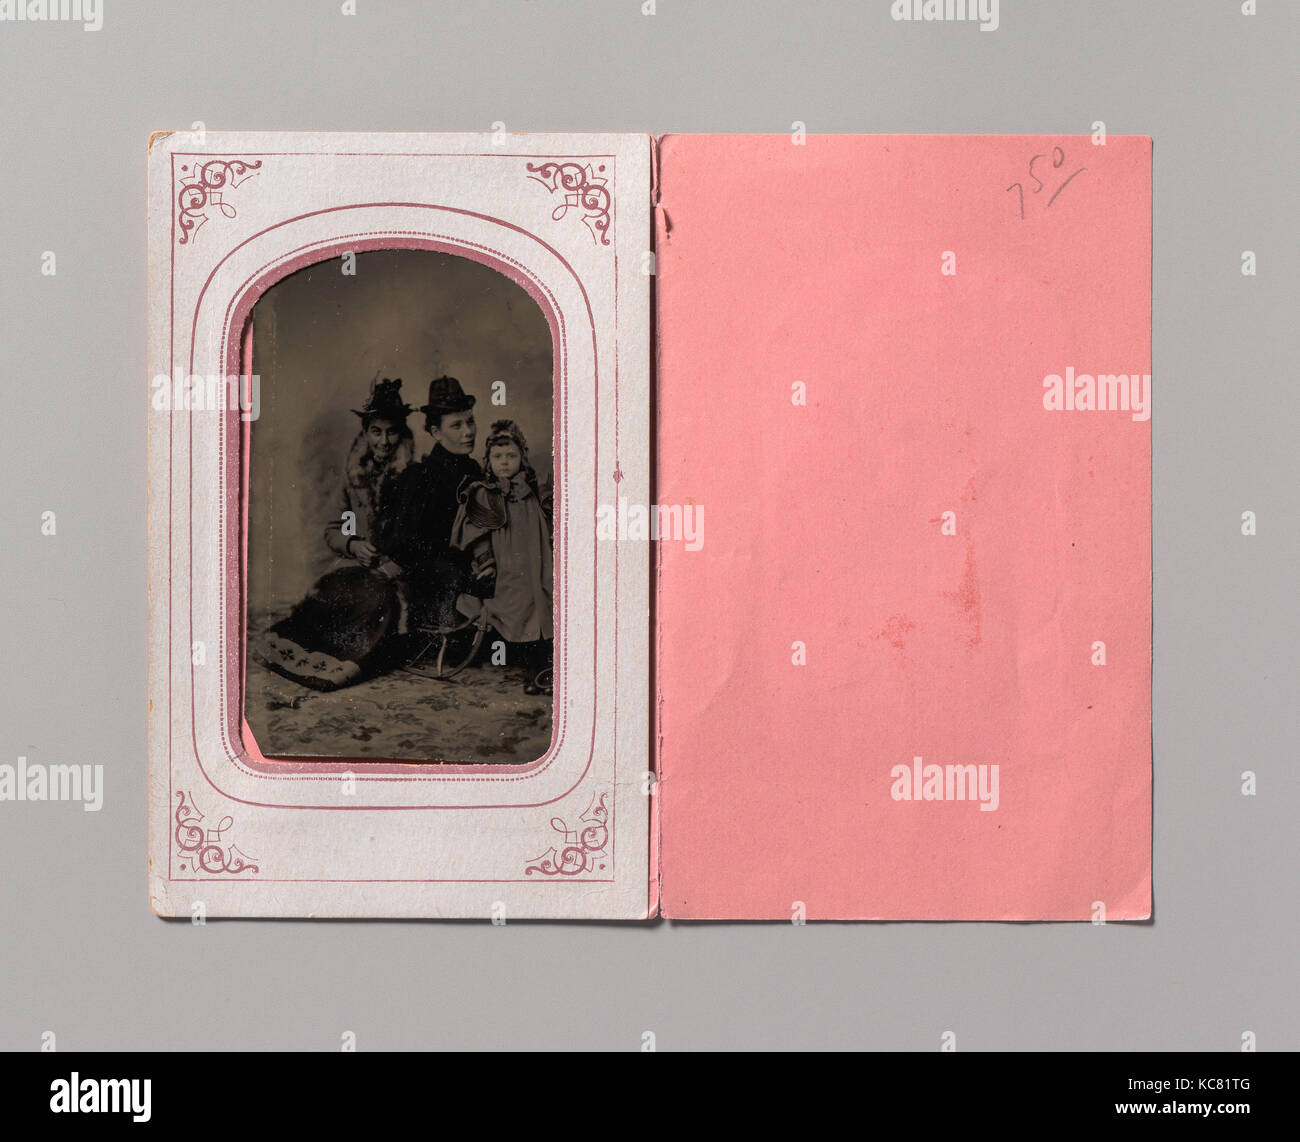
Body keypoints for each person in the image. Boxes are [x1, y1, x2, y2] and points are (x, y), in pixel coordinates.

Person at [255, 378, 413, 690]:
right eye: (375, 431)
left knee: (374, 599)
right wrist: (352, 544)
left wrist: (390, 564)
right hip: (358, 566)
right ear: (365, 433)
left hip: (395, 572)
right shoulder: (353, 476)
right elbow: (332, 530)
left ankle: (343, 662)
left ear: (402, 433)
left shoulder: (414, 477)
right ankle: (299, 655)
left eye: (391, 431)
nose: (383, 441)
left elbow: (418, 541)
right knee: (330, 592)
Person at [450, 419, 554, 694]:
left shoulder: (531, 493)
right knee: (514, 607)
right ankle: (527, 661)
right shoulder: (485, 494)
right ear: (488, 460)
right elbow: (477, 534)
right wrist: (486, 561)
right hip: (507, 566)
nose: (505, 463)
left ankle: (539, 667)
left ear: (522, 457)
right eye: (497, 457)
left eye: (511, 456)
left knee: (541, 601)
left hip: (535, 561)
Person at [377, 376, 486, 632]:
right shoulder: (422, 476)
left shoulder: (474, 469)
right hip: (435, 573)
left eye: (470, 422)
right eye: (456, 426)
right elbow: (408, 542)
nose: (468, 432)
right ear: (436, 432)